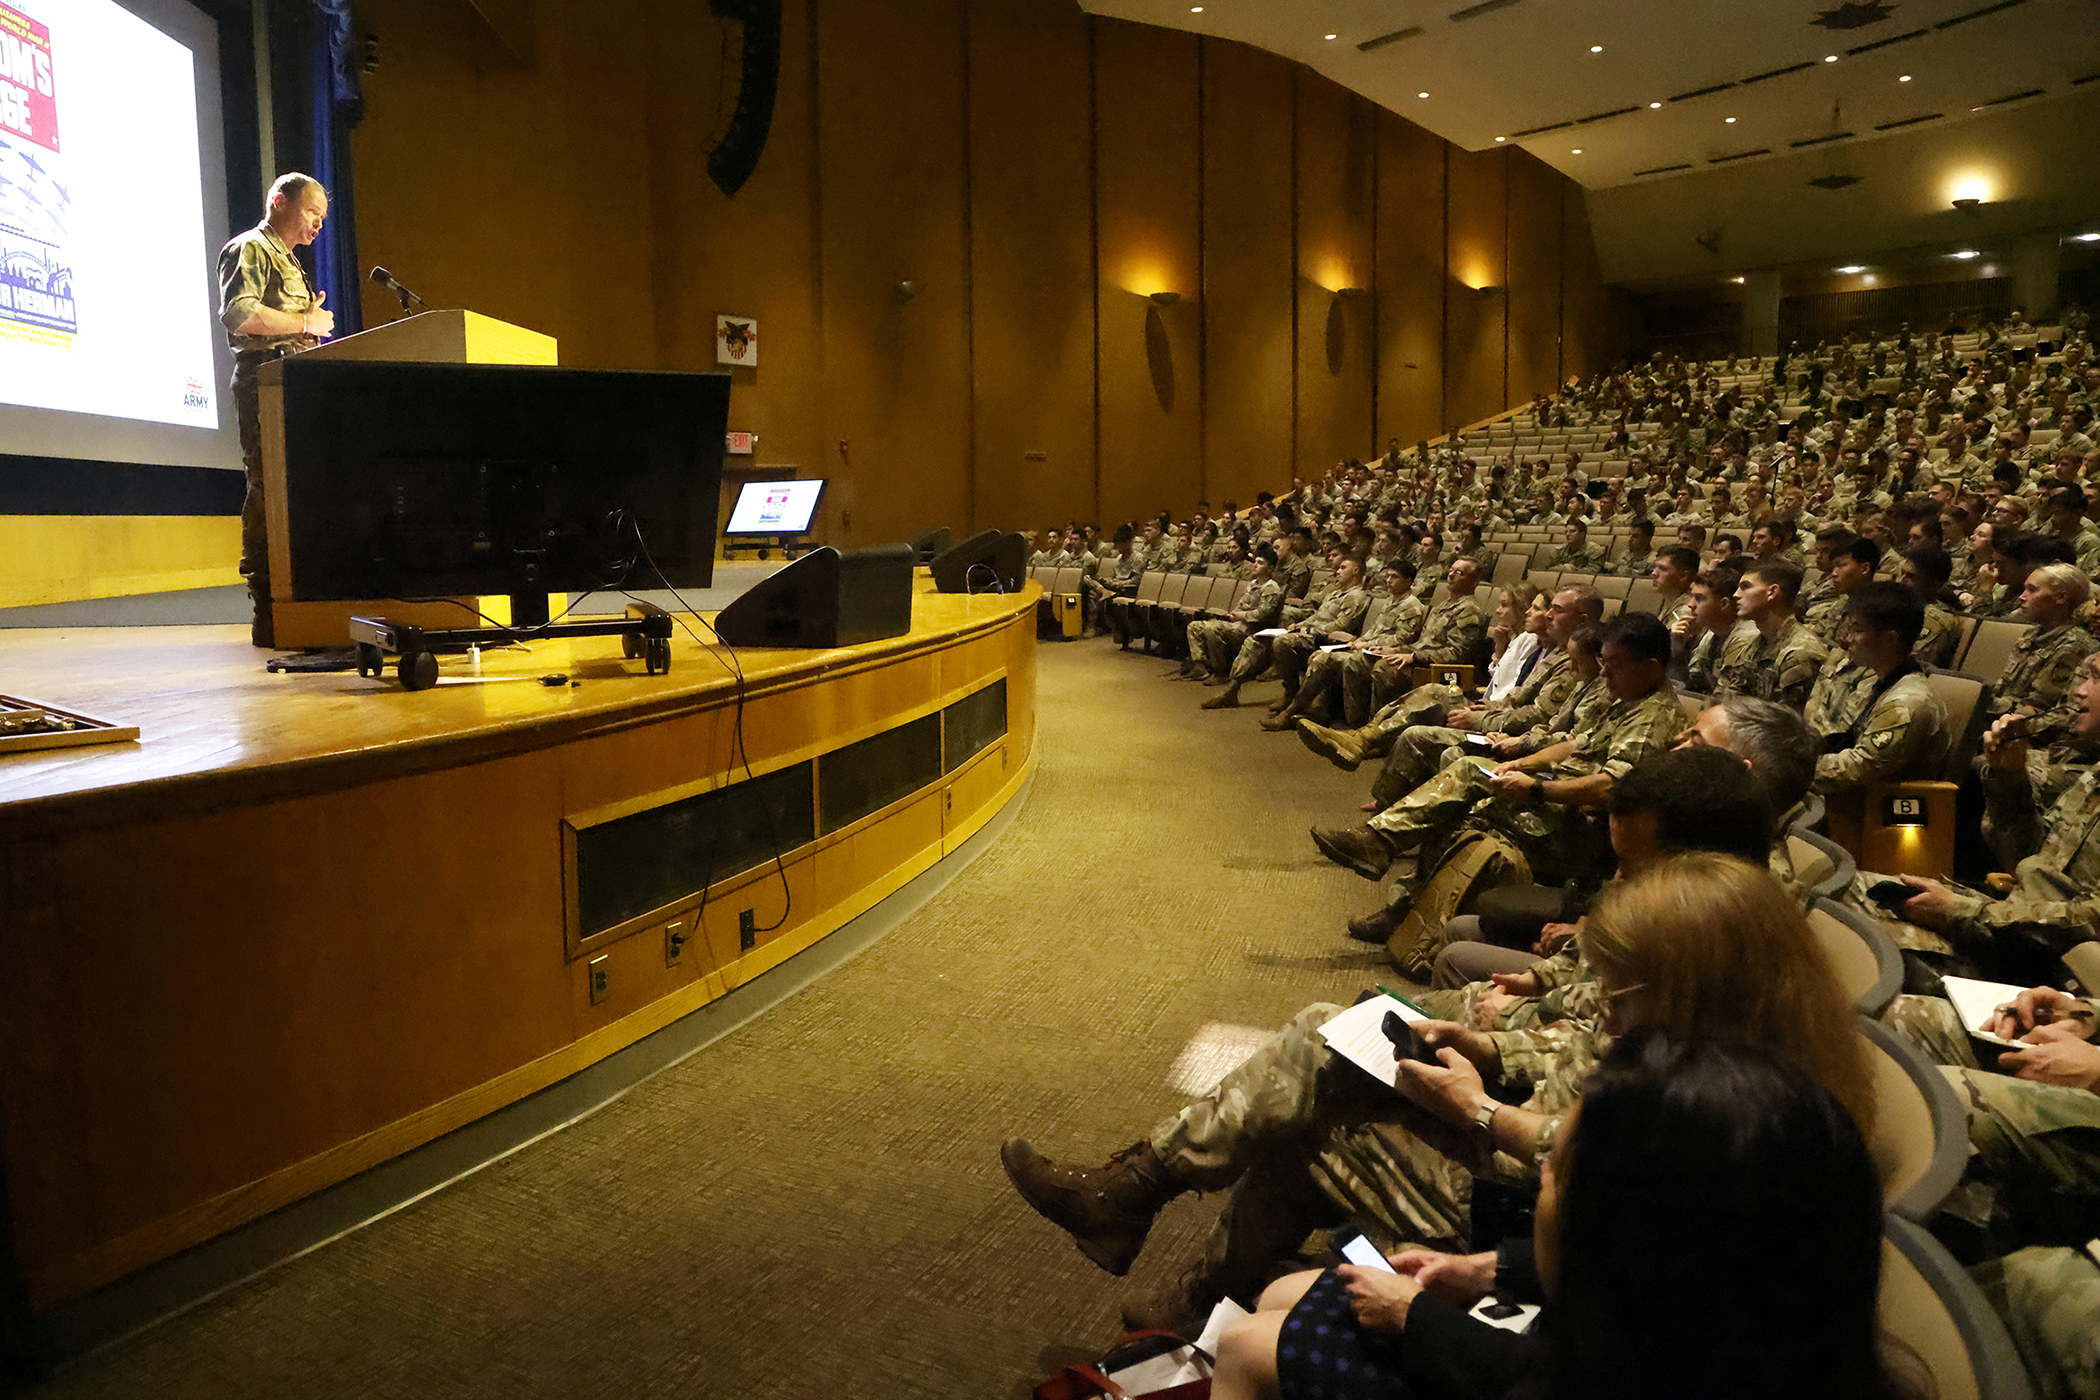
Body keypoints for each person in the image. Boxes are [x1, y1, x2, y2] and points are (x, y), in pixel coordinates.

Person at [998, 853, 1874, 1333]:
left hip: (1540, 1217)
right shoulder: (1709, 1033)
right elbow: (1577, 1056)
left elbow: (1599, 1174)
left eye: (1619, 995)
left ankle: (1159, 1230)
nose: (1603, 1009)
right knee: (1322, 1048)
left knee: (1312, 1119)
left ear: (1692, 985)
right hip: (1526, 1164)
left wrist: (1479, 1111)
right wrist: (1486, 1047)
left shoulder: (1735, 1104)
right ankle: (1167, 1243)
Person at [1209, 1033, 1911, 1400]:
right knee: (1281, 1295)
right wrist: (1488, 1268)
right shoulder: (1747, 1323)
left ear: (1621, 1247)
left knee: (1246, 1346)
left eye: (1554, 1172)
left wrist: (1418, 1318)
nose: (1537, 1176)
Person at [217, 172, 335, 648]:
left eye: (323, 218)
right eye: (312, 212)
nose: (318, 225)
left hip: (295, 385)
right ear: (279, 201)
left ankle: (303, 603)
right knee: (268, 487)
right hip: (264, 381)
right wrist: (305, 320)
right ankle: (266, 606)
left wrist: (309, 330)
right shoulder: (251, 247)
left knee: (298, 490)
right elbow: (240, 314)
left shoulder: (289, 261)